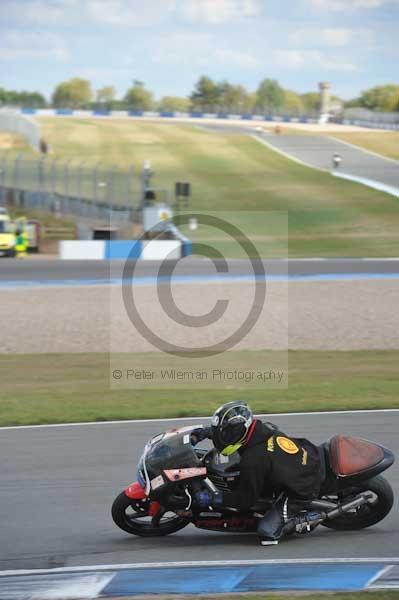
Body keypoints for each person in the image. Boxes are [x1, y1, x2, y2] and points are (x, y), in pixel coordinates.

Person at [190, 401, 324, 545]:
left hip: (304, 484)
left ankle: (304, 519)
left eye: (224, 433)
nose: (222, 436)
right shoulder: (257, 429)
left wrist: (214, 498)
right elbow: (232, 433)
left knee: (266, 532)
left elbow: (246, 500)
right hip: (304, 457)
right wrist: (208, 432)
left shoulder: (253, 460)